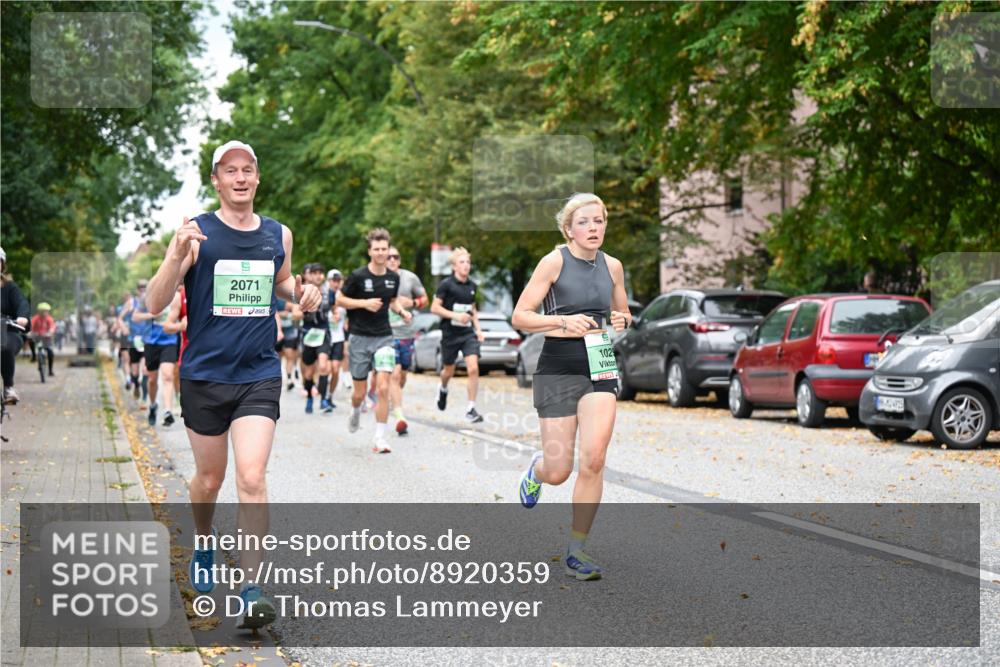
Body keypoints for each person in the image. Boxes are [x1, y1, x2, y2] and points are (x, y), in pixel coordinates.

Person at [145, 140, 321, 630]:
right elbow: (157, 302)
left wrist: (304, 292)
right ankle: (203, 539)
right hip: (204, 375)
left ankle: (251, 590)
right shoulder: (196, 234)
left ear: (257, 179)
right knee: (208, 481)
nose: (240, 178)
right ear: (216, 180)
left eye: (248, 170)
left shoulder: (277, 235)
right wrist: (174, 255)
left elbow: (281, 281)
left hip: (257, 374)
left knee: (251, 478)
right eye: (230, 171)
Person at [511, 193, 631, 581]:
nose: (594, 228)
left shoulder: (613, 266)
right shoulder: (553, 261)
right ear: (569, 229)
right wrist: (562, 323)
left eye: (599, 221)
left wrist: (621, 319)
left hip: (599, 361)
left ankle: (577, 550)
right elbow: (520, 316)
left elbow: (622, 312)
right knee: (560, 470)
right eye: (585, 222)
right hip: (559, 364)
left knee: (594, 458)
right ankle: (536, 470)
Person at [336, 228, 411, 454]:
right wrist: (364, 304)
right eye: (376, 249)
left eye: (384, 249)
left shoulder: (392, 278)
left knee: (383, 386)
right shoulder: (358, 276)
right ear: (370, 251)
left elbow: (393, 301)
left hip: (384, 337)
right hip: (359, 337)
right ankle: (356, 410)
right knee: (358, 393)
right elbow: (340, 300)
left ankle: (379, 437)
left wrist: (402, 312)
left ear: (388, 251)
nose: (380, 253)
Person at [431, 247, 485, 423]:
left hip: (467, 333)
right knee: (448, 370)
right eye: (462, 262)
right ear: (454, 266)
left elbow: (473, 309)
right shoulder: (446, 285)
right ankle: (443, 387)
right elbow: (434, 308)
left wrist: (478, 329)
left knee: (473, 368)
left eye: (468, 262)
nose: (466, 265)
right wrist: (456, 316)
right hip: (450, 334)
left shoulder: (472, 286)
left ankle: (471, 408)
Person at [386, 247, 426, 435]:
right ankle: (400, 416)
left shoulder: (410, 278)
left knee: (402, 376)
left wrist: (414, 303)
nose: (392, 259)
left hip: (407, 333)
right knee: (394, 374)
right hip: (387, 333)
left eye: (396, 257)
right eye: (389, 257)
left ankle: (395, 399)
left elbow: (425, 299)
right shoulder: (380, 279)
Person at [297, 262, 333, 414]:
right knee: (309, 372)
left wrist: (336, 314)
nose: (318, 276)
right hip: (308, 334)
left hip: (323, 332)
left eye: (320, 273)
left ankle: (324, 400)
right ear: (309, 275)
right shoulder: (302, 291)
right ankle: (310, 397)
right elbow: (294, 313)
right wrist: (302, 311)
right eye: (315, 273)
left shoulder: (329, 292)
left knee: (324, 366)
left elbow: (335, 306)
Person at [1, 247, 30, 404]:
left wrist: (22, 316)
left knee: (4, 347)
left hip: (9, 331)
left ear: (2, 265)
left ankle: (8, 388)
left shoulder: (10, 287)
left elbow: (22, 303)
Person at [118, 282, 150, 404]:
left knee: (146, 370)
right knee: (135, 371)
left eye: (145, 288)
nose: (143, 290)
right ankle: (136, 385)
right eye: (141, 288)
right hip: (133, 340)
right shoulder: (131, 302)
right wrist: (124, 328)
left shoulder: (151, 301)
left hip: (147, 340)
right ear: (137, 290)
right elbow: (120, 318)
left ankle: (145, 398)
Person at [325, 269, 347, 408]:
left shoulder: (343, 296)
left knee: (335, 369)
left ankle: (329, 396)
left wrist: (345, 320)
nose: (336, 283)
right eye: (334, 280)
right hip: (325, 337)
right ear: (328, 281)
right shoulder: (323, 295)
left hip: (338, 337)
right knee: (325, 368)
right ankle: (322, 392)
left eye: (338, 280)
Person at [275, 296, 300, 390]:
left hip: (290, 330)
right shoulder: (275, 297)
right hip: (277, 330)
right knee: (278, 357)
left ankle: (289, 378)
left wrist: (293, 311)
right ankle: (277, 378)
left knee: (289, 354)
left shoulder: (290, 295)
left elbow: (295, 308)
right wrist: (281, 314)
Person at [30, 303, 56, 377]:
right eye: (43, 311)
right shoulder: (35, 318)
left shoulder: (49, 318)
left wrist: (50, 332)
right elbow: (31, 325)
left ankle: (50, 370)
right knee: (31, 340)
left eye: (46, 311)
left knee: (50, 353)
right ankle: (34, 355)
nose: (45, 312)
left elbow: (52, 326)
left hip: (46, 337)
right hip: (37, 336)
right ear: (39, 311)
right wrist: (30, 332)